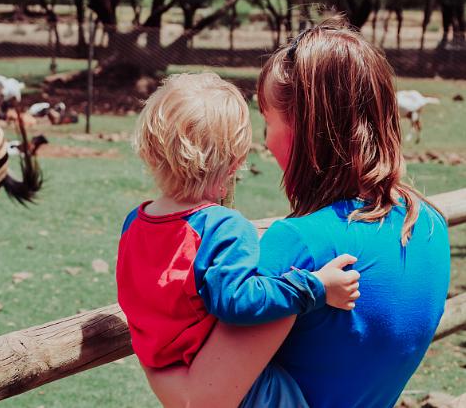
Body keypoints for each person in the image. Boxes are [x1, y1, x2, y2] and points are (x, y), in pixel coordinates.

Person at [144, 20, 451, 408]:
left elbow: (199, 400)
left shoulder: (299, 244)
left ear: (305, 130)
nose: (265, 141)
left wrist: (148, 350)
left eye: (268, 121)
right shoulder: (428, 225)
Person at [117, 72, 361, 407]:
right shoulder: (222, 227)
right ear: (235, 163)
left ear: (150, 147)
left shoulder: (136, 222)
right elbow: (237, 301)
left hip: (166, 366)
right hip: (241, 389)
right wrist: (317, 287)